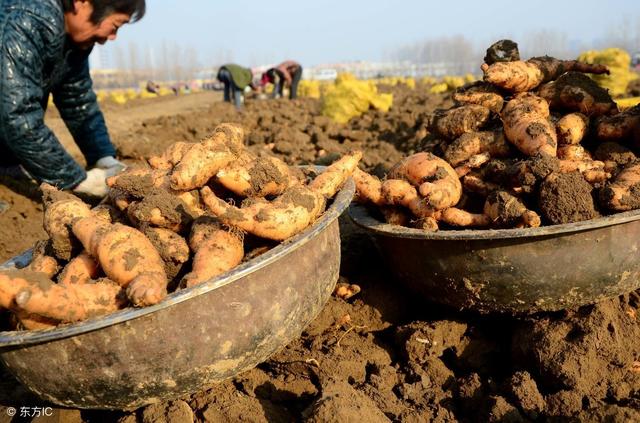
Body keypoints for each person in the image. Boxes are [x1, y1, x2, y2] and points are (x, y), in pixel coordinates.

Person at [0, 0, 146, 198]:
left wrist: (102, 157)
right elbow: (16, 114)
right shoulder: (24, 20)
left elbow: (78, 100)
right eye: (115, 26)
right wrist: (77, 180)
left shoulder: (74, 42)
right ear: (81, 3)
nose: (111, 38)